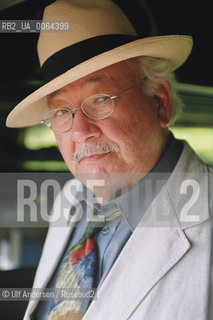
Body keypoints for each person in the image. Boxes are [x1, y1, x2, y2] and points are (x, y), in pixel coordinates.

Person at [6, 0, 212, 319]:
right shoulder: (70, 201)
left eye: (100, 100)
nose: (80, 131)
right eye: (62, 111)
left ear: (159, 101)